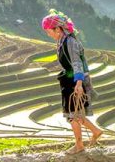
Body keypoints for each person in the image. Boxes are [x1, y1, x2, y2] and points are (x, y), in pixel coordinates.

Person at [42, 10, 103, 154]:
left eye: (48, 31)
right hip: (69, 80)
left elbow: (77, 64)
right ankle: (95, 131)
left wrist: (79, 84)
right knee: (74, 113)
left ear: (57, 29)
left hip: (74, 81)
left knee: (73, 115)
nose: (48, 34)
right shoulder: (63, 41)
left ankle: (79, 145)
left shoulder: (70, 42)